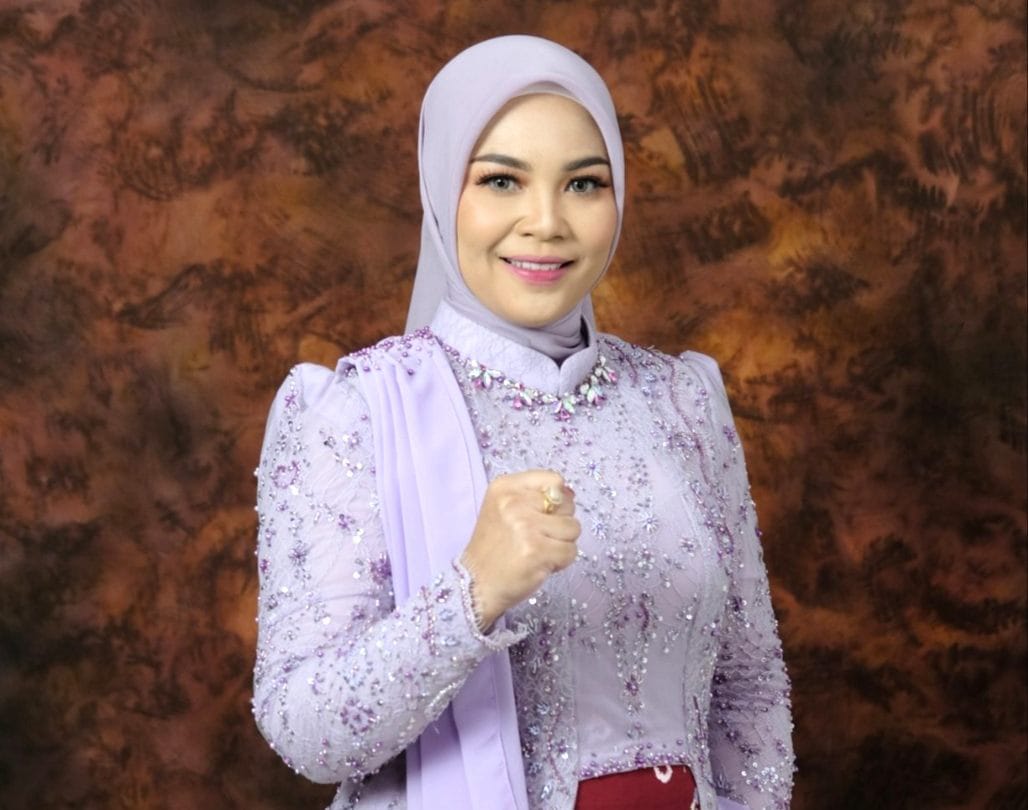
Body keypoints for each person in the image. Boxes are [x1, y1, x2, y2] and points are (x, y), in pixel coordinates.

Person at [252, 35, 794, 810]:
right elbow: (305, 731)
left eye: (583, 184)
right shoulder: (358, 411)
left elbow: (750, 686)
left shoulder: (681, 400)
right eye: (502, 180)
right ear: (444, 190)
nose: (545, 222)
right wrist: (472, 593)